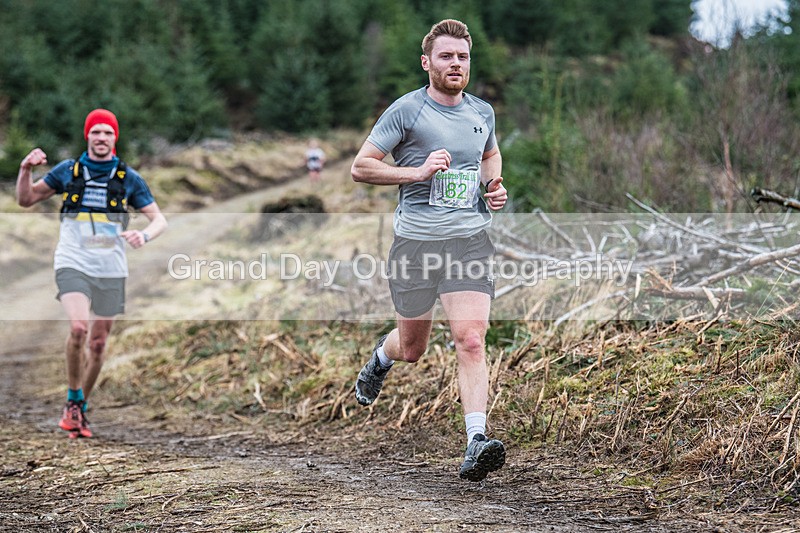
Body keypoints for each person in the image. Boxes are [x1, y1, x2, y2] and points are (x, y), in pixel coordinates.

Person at [351, 19, 508, 482]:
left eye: (462, 57)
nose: (455, 64)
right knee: (413, 348)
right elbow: (361, 168)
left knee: (472, 338)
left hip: (469, 241)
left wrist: (494, 186)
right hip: (416, 246)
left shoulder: (483, 111)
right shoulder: (406, 111)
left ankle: (475, 440)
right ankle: (381, 357)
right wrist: (416, 173)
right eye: (446, 56)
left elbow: (489, 155)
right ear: (427, 63)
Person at [16, 108, 167, 439]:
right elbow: (26, 199)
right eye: (95, 132)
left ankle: (79, 409)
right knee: (79, 327)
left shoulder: (129, 179)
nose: (101, 138)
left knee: (98, 344)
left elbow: (159, 220)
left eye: (107, 132)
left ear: (116, 138)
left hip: (111, 267)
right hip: (72, 260)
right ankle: (73, 399)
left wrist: (143, 235)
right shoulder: (67, 171)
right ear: (88, 136)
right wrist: (25, 169)